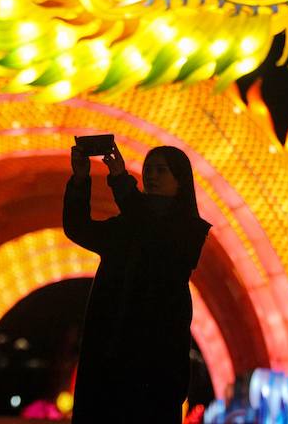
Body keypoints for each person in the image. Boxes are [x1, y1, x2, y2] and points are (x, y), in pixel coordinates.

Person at [63, 141, 212, 423]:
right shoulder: (127, 225)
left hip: (155, 361)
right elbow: (79, 229)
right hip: (111, 353)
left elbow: (154, 235)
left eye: (161, 170)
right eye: (148, 169)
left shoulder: (189, 230)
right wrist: (81, 180)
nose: (151, 176)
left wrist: (120, 181)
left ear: (180, 180)